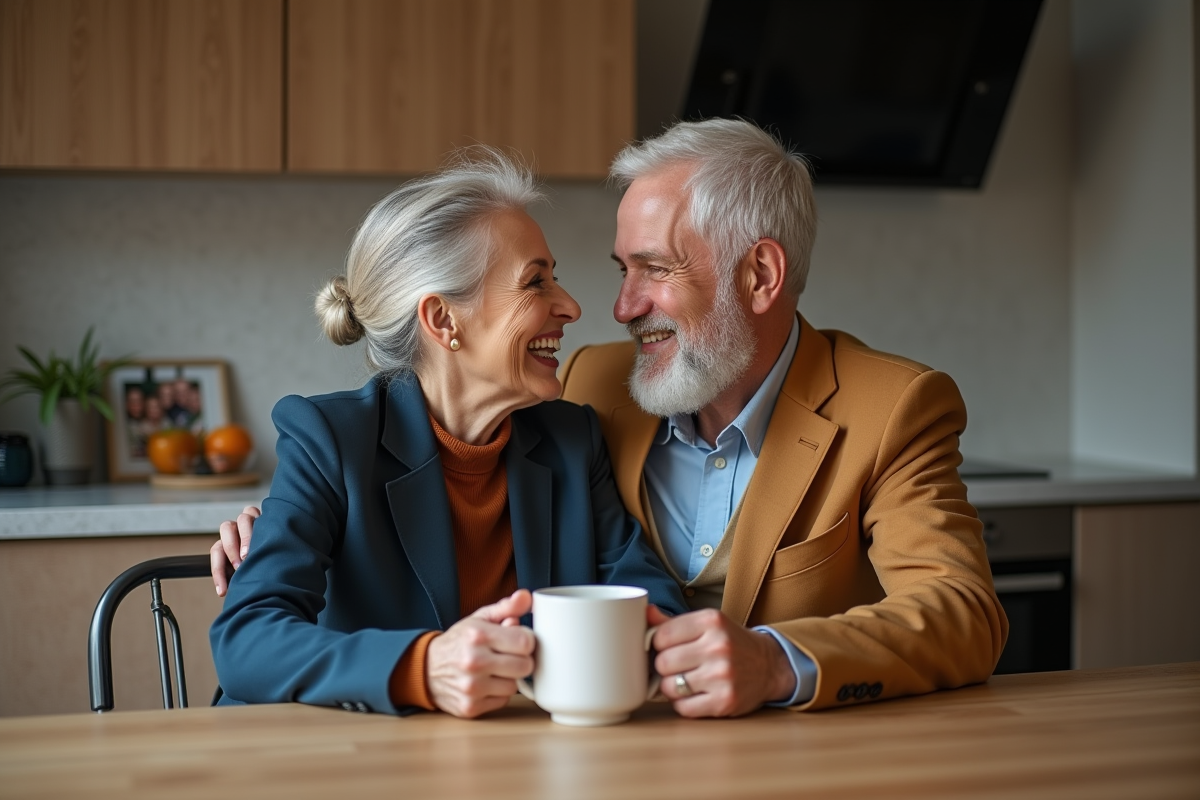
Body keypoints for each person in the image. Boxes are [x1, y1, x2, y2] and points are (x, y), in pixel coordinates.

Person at [214, 119, 1007, 718]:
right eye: (547, 282)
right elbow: (255, 630)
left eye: (653, 270)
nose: (608, 309)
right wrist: (285, 522)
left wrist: (771, 662)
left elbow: (962, 612)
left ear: (760, 273)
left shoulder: (566, 425)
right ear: (443, 322)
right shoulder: (585, 388)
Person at [209, 151, 688, 719]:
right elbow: (246, 640)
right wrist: (424, 666)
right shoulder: (331, 440)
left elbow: (648, 602)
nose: (571, 306)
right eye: (536, 282)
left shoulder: (571, 441)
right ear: (442, 321)